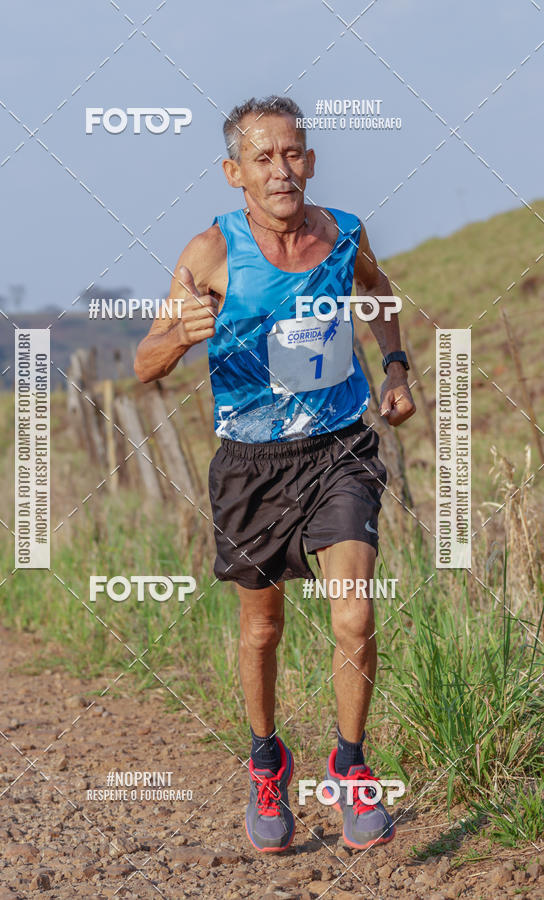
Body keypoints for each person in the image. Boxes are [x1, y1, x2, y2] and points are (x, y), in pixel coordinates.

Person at [134, 95, 416, 853]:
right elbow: (143, 365)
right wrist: (180, 337)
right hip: (251, 464)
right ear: (235, 172)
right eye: (263, 158)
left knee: (353, 613)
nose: (281, 169)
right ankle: (267, 763)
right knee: (262, 630)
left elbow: (379, 293)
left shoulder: (343, 233)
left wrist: (393, 365)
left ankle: (351, 770)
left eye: (292, 153)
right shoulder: (210, 252)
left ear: (311, 161)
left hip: (339, 450)